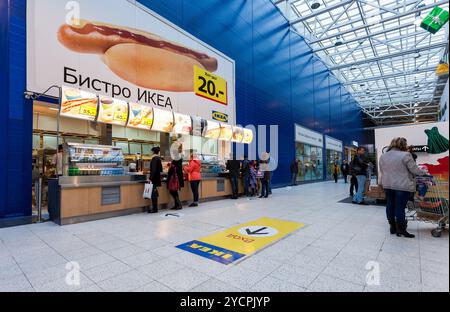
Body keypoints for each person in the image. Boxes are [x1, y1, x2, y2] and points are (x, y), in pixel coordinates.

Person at [380, 138, 426, 238]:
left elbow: (382, 170)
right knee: (400, 207)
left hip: (387, 184)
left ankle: (392, 227)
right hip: (402, 185)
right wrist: (424, 173)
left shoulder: (383, 156)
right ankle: (401, 230)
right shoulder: (405, 155)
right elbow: (414, 170)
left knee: (390, 205)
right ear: (403, 145)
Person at [148, 146, 163, 213]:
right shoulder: (158, 158)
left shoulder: (154, 158)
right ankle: (155, 208)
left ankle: (155, 209)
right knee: (154, 192)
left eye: (151, 151)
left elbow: (153, 170)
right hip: (157, 178)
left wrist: (150, 178)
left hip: (154, 178)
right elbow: (160, 169)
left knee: (153, 194)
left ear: (153, 151)